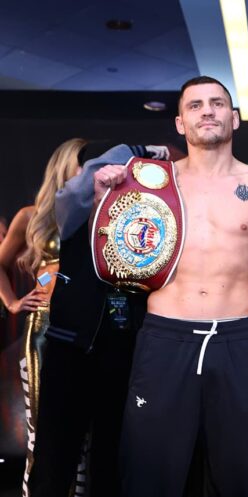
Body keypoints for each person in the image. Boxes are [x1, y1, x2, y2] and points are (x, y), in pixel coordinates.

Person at [95, 76, 248, 496]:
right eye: (195, 105)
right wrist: (104, 197)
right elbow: (111, 261)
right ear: (179, 123)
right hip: (165, 339)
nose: (207, 111)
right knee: (148, 477)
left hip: (237, 340)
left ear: (235, 118)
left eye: (217, 103)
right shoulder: (150, 183)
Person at [27, 141, 166, 497]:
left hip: (123, 346)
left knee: (112, 457)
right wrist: (137, 149)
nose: (103, 172)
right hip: (68, 343)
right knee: (54, 456)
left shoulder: (141, 215)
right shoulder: (70, 208)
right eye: (90, 167)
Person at [0, 138, 86, 497]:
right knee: (42, 429)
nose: (91, 170)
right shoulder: (31, 216)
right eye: (85, 163)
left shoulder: (104, 211)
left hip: (90, 326)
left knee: (87, 433)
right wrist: (12, 302)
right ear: (67, 166)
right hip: (45, 329)